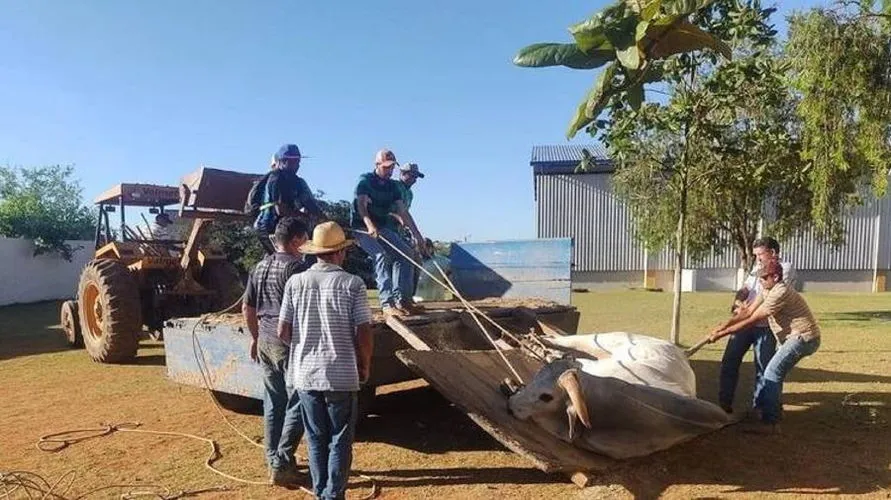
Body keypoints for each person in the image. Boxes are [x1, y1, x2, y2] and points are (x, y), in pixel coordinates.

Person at [278, 221, 374, 500]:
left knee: (316, 438)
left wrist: (303, 348)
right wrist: (364, 362)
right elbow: (364, 330)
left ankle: (322, 492)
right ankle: (333, 494)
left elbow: (283, 331)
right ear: (340, 252)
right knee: (340, 439)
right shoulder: (352, 284)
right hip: (341, 374)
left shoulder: (296, 283)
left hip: (306, 375)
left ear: (316, 252)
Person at [708, 259, 822, 434]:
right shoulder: (766, 289)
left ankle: (771, 423)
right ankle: (774, 413)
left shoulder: (780, 292)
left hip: (803, 338)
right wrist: (722, 326)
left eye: (764, 278)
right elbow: (746, 312)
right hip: (794, 338)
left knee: (771, 373)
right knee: (775, 373)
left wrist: (721, 335)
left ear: (775, 277)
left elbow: (751, 321)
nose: (760, 281)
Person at [242, 216, 311, 486]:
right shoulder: (297, 268)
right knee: (300, 401)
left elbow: (247, 308)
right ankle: (282, 462)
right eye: (305, 238)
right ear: (295, 240)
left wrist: (255, 337)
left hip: (266, 341)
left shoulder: (260, 266)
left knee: (273, 404)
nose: (307, 243)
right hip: (288, 343)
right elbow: (301, 312)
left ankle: (273, 458)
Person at [715, 236, 797, 414]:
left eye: (760, 254)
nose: (758, 259)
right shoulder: (757, 268)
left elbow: (769, 296)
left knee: (763, 367)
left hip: (765, 326)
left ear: (773, 253)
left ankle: (760, 408)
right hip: (745, 322)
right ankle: (724, 403)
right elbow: (746, 288)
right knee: (729, 360)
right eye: (756, 255)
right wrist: (738, 302)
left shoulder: (785, 269)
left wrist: (732, 323)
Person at [350, 149, 429, 317]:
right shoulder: (365, 181)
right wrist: (370, 226)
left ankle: (403, 300)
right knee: (380, 255)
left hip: (382, 226)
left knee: (406, 254)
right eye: (386, 167)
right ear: (377, 165)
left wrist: (417, 235)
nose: (390, 171)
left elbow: (403, 212)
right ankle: (387, 303)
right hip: (362, 227)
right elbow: (361, 207)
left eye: (392, 167)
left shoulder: (394, 187)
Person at [254, 144, 326, 254]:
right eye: (293, 161)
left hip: (284, 227)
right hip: (268, 227)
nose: (297, 165)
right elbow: (281, 210)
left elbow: (311, 205)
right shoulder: (276, 179)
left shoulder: (298, 182)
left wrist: (326, 220)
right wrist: (305, 217)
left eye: (298, 161)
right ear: (282, 161)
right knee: (283, 257)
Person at [413, 238, 453, 303]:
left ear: (431, 248)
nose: (420, 250)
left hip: (437, 300)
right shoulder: (412, 261)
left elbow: (451, 278)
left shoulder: (443, 261)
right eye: (418, 247)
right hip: (418, 300)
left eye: (423, 247)